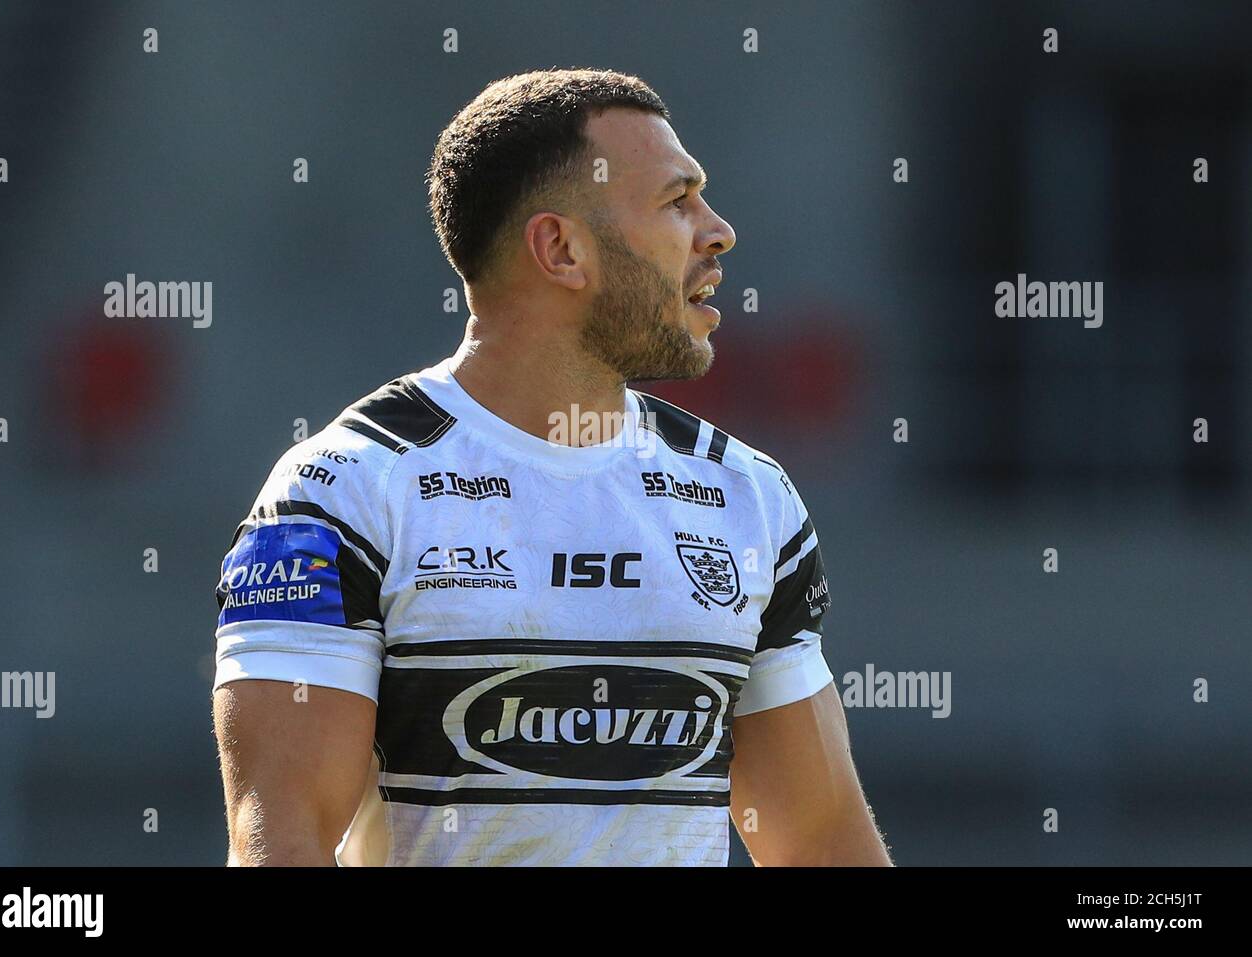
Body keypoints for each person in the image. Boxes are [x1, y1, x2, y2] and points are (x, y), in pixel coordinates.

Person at [212, 68, 891, 866]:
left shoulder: (744, 496)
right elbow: (280, 844)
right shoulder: (342, 492)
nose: (719, 231)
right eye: (678, 202)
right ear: (561, 249)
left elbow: (818, 840)